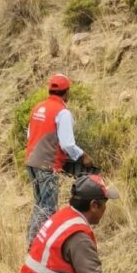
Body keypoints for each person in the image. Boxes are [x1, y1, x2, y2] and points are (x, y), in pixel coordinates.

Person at [24, 74, 93, 247]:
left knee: (39, 204)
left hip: (31, 162)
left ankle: (32, 241)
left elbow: (29, 135)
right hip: (47, 165)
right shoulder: (62, 112)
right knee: (48, 207)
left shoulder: (38, 107)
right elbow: (67, 144)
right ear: (67, 92)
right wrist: (83, 156)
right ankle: (35, 245)